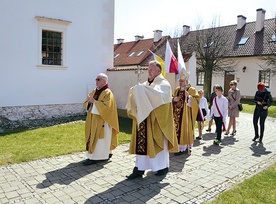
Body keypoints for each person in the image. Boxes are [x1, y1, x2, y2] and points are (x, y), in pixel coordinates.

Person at [126, 60, 178, 179]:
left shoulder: (164, 84)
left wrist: (139, 89)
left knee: (158, 144)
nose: (148, 72)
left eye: (151, 69)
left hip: (157, 121)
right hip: (144, 120)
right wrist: (135, 90)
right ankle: (139, 169)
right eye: (148, 69)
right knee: (143, 144)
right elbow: (142, 93)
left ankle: (162, 167)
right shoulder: (146, 84)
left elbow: (157, 95)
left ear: (158, 71)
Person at [82, 73, 120, 166]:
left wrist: (94, 102)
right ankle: (100, 155)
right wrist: (90, 102)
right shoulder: (95, 91)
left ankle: (95, 157)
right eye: (96, 79)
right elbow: (87, 101)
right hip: (93, 120)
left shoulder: (108, 92)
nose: (96, 81)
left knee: (101, 139)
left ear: (104, 81)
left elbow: (107, 107)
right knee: (95, 138)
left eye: (98, 79)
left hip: (103, 121)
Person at [172, 76, 199, 155]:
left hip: (185, 116)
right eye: (179, 81)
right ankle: (176, 147)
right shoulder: (177, 89)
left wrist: (189, 98)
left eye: (182, 81)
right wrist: (174, 100)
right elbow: (172, 98)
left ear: (186, 81)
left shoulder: (191, 90)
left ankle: (183, 149)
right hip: (176, 115)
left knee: (183, 130)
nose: (180, 83)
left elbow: (197, 102)